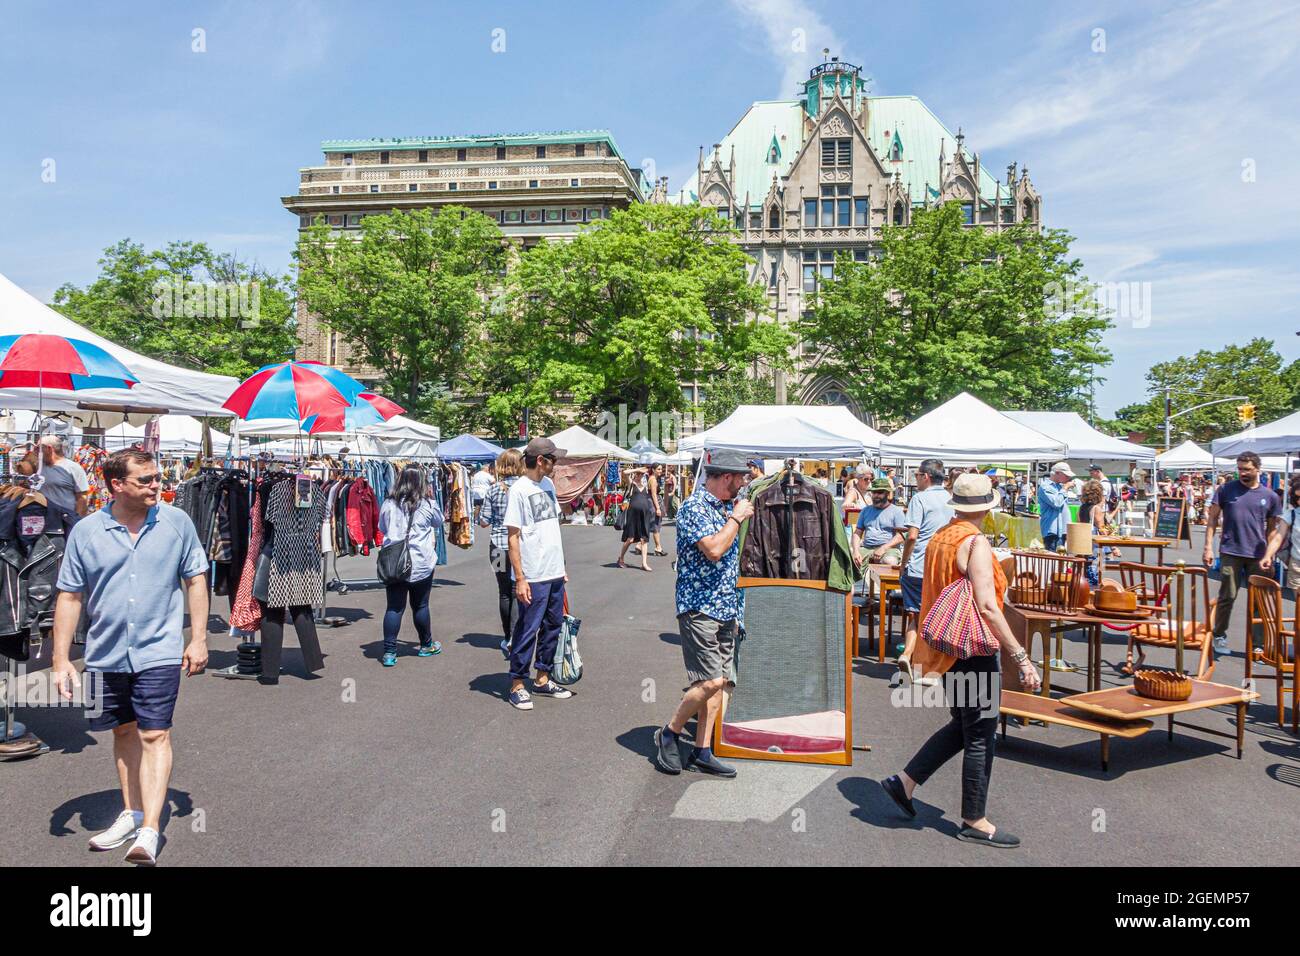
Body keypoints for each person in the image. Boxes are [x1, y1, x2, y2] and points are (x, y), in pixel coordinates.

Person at [50, 449, 209, 866]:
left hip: (159, 650)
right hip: (105, 654)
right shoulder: (86, 531)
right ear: (116, 485)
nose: (157, 484)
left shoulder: (177, 523)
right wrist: (61, 659)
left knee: (155, 734)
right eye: (146, 480)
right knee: (123, 733)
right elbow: (69, 595)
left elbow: (196, 580)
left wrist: (198, 639)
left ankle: (150, 829)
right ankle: (132, 811)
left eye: (157, 477)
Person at [880, 473, 1041, 848]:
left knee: (965, 724)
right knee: (981, 733)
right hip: (974, 647)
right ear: (988, 507)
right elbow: (987, 605)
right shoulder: (975, 543)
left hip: (947, 646)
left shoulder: (943, 536)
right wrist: (1020, 655)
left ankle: (904, 782)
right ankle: (974, 819)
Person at [654, 448, 754, 777]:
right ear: (725, 477)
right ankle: (668, 733)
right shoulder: (694, 507)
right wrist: (737, 518)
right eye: (740, 479)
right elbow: (713, 549)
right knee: (708, 680)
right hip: (699, 606)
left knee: (720, 682)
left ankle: (702, 749)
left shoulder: (727, 506)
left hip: (727, 605)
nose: (743, 485)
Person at [504, 437, 573, 711]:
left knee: (552, 626)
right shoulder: (518, 490)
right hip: (532, 573)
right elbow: (513, 536)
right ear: (541, 461)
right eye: (553, 460)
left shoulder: (547, 485)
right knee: (527, 628)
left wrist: (562, 566)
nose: (556, 464)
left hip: (553, 570)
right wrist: (520, 577)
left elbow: (551, 528)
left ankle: (542, 678)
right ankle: (517, 684)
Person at [1203, 451, 1281, 656]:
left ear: (1257, 469)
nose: (1242, 473)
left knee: (1259, 600)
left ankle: (1259, 644)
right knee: (1227, 595)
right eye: (1239, 469)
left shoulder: (1270, 496)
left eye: (1246, 469)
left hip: (1258, 554)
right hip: (1231, 550)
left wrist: (1269, 555)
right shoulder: (1226, 490)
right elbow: (1212, 519)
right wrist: (1208, 547)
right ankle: (1219, 635)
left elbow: (1273, 529)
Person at [377, 465, 445, 667]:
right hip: (421, 562)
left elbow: (382, 527)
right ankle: (426, 645)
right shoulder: (427, 504)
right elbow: (438, 522)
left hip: (395, 561)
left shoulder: (389, 503)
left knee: (394, 607)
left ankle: (390, 652)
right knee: (421, 605)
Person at [896, 459, 953, 684]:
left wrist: (903, 562)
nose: (916, 479)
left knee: (917, 615)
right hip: (943, 566)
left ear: (926, 476)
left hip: (919, 565)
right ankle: (929, 664)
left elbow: (912, 535)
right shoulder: (951, 498)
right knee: (939, 617)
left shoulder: (919, 499)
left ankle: (909, 655)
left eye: (917, 475)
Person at [479, 448, 523, 660]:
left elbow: (484, 521)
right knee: (517, 591)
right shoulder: (525, 488)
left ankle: (508, 637)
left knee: (504, 591)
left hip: (497, 547)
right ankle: (517, 636)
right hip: (520, 547)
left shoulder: (494, 489)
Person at [852, 478, 907, 566]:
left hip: (889, 549)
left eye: (880, 492)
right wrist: (855, 551)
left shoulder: (897, 511)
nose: (876, 495)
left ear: (887, 494)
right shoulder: (865, 511)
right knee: (848, 559)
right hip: (867, 548)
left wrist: (883, 548)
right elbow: (857, 533)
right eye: (874, 492)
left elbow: (901, 536)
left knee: (889, 561)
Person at [1260, 473, 1300, 590]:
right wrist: (1267, 556)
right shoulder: (1291, 514)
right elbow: (1278, 538)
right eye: (1297, 497)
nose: (1299, 501)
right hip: (1296, 565)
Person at [38, 435, 90, 517]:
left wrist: (75, 522)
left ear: (49, 449)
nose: (37, 452)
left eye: (39, 448)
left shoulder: (73, 468)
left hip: (65, 519)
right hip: (42, 518)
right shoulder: (39, 467)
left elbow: (82, 498)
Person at [618, 467, 655, 571]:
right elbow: (624, 472)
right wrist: (637, 469)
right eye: (638, 474)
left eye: (641, 474)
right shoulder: (631, 484)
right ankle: (621, 558)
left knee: (644, 539)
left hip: (644, 515)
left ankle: (644, 563)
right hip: (633, 515)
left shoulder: (644, 486)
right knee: (630, 539)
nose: (639, 476)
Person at [1037, 462, 1075, 551]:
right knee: (1053, 561)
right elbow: (1057, 503)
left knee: (1061, 559)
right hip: (1052, 531)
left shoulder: (1059, 486)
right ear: (1057, 473)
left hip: (1062, 530)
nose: (1068, 478)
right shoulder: (1045, 487)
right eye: (1066, 475)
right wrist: (1065, 488)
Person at [648, 464, 666, 556]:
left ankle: (639, 545)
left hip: (652, 502)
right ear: (653, 469)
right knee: (656, 525)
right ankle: (658, 547)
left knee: (651, 524)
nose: (660, 471)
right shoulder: (653, 479)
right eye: (658, 469)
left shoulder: (652, 478)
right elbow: (654, 494)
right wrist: (658, 508)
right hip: (653, 503)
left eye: (661, 469)